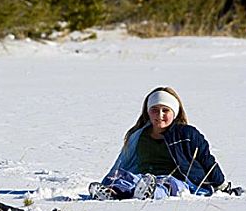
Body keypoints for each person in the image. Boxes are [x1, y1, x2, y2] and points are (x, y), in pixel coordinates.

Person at [89, 86, 237, 201]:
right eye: (154, 110)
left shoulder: (187, 134)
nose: (160, 115)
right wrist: (109, 180)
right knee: (125, 179)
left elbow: (206, 159)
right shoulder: (138, 136)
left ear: (175, 113)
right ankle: (113, 193)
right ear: (148, 112)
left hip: (177, 181)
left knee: (166, 185)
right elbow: (122, 162)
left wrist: (221, 184)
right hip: (143, 177)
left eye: (165, 110)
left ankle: (150, 193)